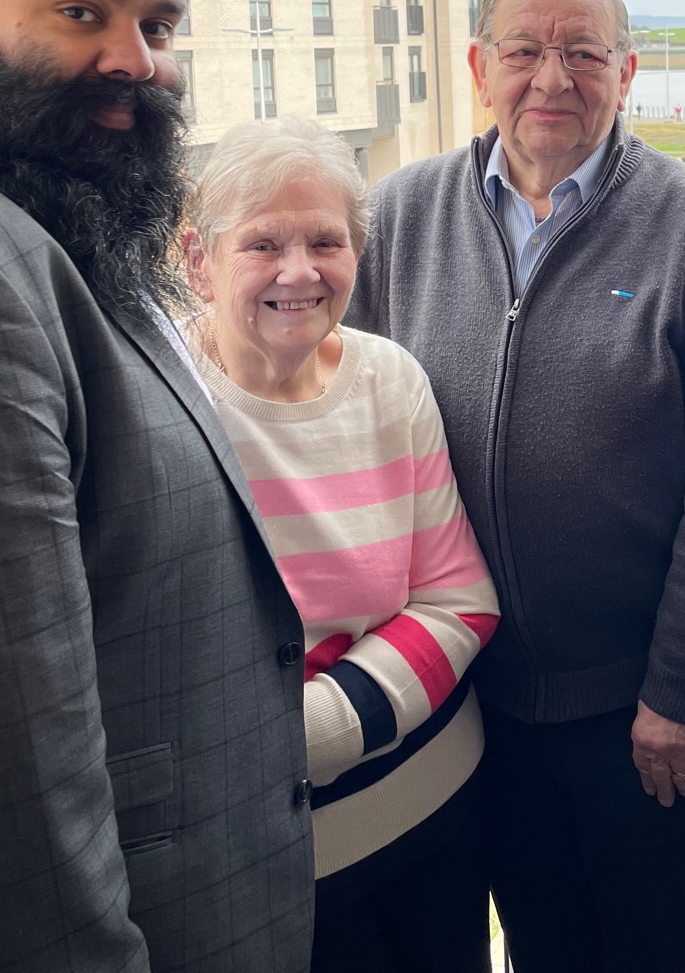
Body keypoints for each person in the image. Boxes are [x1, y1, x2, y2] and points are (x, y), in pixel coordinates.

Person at [0, 0, 313, 971]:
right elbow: (16, 753)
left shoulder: (55, 201)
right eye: (83, 14)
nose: (135, 60)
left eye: (160, 26)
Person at [346, 0, 685, 973]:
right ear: (476, 65)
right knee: (542, 950)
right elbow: (344, 411)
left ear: (624, 73)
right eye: (524, 50)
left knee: (667, 952)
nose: (553, 78)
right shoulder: (402, 213)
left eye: (584, 53)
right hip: (473, 707)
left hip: (649, 712)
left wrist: (678, 692)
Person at [183, 119, 500, 972]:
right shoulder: (166, 402)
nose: (300, 270)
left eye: (327, 240)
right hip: (264, 858)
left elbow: (460, 598)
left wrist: (308, 731)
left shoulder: (389, 379)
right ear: (195, 257)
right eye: (263, 243)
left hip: (430, 819)